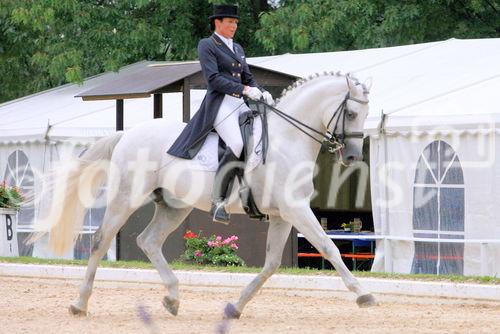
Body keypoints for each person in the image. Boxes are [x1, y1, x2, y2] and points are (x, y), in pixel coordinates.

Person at [167, 4, 273, 224]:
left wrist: (261, 92)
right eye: (230, 22)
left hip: (240, 104)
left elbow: (248, 78)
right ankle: (218, 202)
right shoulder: (208, 44)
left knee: (261, 139)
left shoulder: (238, 48)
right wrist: (244, 90)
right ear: (218, 22)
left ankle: (248, 194)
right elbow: (213, 78)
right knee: (236, 143)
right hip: (219, 103)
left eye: (236, 22)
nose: (234, 26)